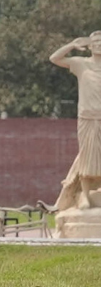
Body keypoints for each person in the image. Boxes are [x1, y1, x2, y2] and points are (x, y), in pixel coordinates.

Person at [50, 31, 101, 211]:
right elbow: (54, 58)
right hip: (87, 118)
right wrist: (72, 45)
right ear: (90, 45)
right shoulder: (81, 64)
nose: (99, 45)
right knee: (87, 158)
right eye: (95, 42)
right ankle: (85, 196)